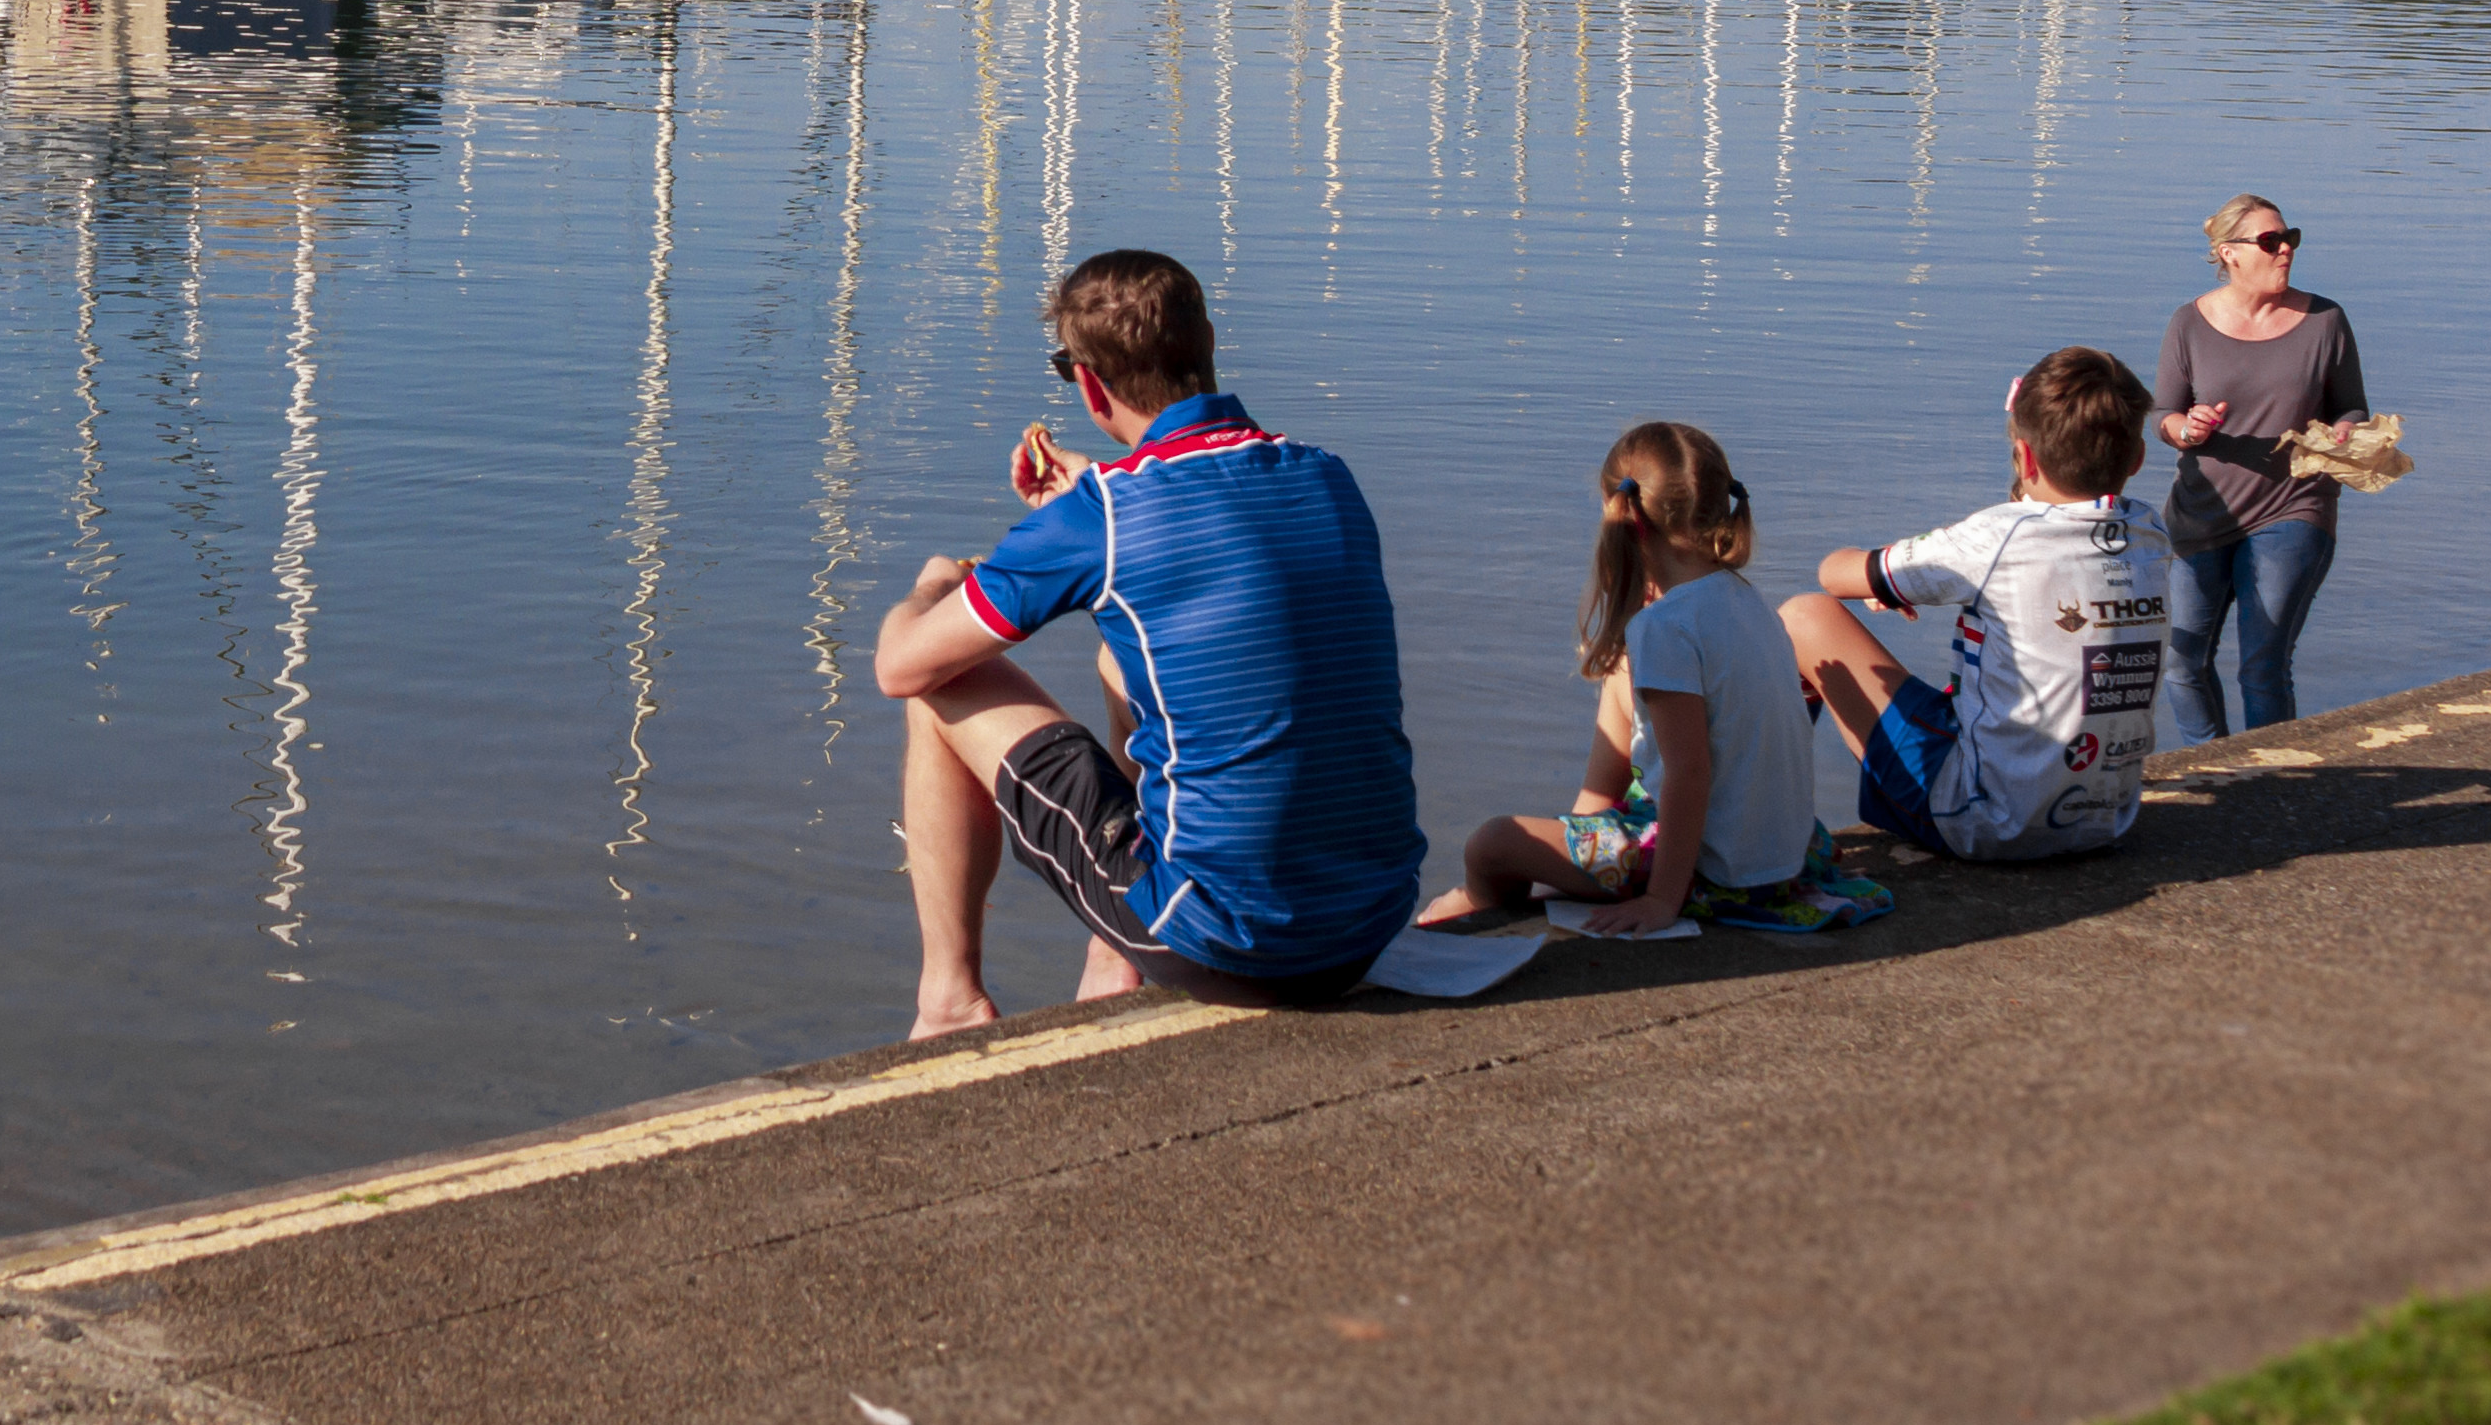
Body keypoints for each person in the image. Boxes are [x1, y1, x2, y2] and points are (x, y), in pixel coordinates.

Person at [874, 249, 1425, 1035]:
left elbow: (902, 665)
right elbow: (1209, 543)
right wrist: (1100, 491)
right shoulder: (1326, 475)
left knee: (939, 690)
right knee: (1123, 649)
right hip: (1369, 923)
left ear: (1090, 386)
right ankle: (1113, 960)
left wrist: (932, 586)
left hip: (1232, 945)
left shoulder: (1101, 515)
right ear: (1206, 342)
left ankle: (949, 1002)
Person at [1424, 422, 1868, 935]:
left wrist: (1662, 900)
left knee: (1492, 843)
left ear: (1626, 517)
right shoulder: (1749, 601)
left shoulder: (1665, 627)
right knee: (1620, 668)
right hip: (1786, 857)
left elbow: (1689, 773)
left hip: (1709, 870)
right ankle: (1573, 853)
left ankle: (1477, 899)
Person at [1780, 345, 2171, 864]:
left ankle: (1768, 821)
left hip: (1984, 821)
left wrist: (1885, 581)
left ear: (2025, 456)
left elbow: (1835, 575)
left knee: (1804, 617)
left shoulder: (1995, 537)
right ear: (2138, 460)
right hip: (2102, 820)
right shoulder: (2151, 533)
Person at [2155, 197, 2366, 741]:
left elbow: (2350, 406)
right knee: (2182, 663)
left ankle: (2273, 784)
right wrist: (2186, 428)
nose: (2286, 249)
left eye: (2289, 236)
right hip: (2202, 514)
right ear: (2230, 254)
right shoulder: (2189, 323)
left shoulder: (2325, 321)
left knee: (2262, 665)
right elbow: (2161, 414)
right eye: (2271, 241)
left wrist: (2347, 431)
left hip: (2293, 507)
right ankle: (2212, 764)